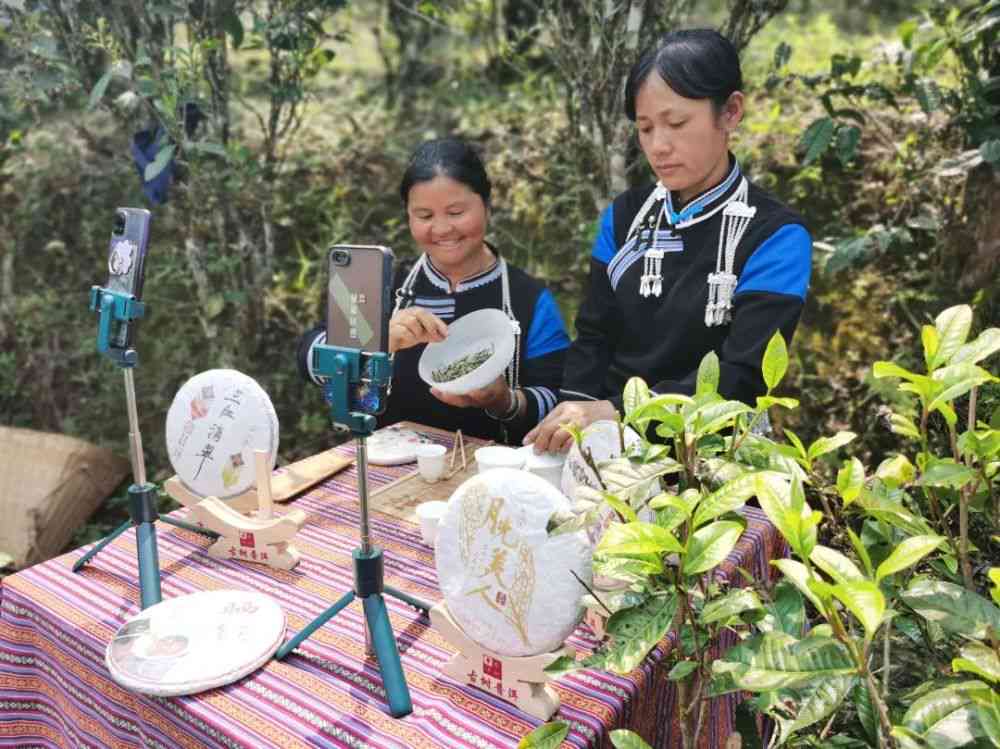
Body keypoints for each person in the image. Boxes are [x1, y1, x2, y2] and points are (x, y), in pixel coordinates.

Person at [525, 29, 813, 453]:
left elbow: (742, 378)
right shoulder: (623, 218)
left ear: (731, 112)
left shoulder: (777, 237)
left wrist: (621, 413)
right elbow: (593, 338)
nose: (659, 146)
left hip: (712, 454)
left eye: (677, 123)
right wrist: (578, 420)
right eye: (645, 128)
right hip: (603, 443)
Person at [302, 138, 570, 444]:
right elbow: (310, 358)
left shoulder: (530, 300)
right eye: (425, 216)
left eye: (456, 212)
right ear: (408, 216)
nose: (442, 229)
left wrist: (505, 402)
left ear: (487, 206)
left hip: (485, 481)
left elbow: (557, 400)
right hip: (384, 470)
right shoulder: (378, 284)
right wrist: (375, 340)